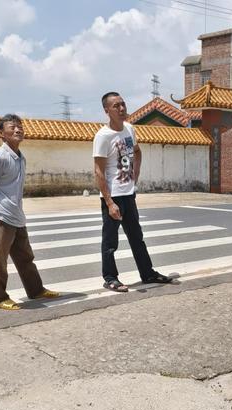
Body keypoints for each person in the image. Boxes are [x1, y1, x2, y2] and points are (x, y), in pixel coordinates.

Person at [0, 114, 60, 310]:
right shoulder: (0, 156)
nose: (17, 130)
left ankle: (36, 290)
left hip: (16, 215)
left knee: (25, 257)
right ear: (1, 134)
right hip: (0, 215)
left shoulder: (20, 156)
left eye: (19, 126)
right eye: (12, 127)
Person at [93, 92, 172, 292]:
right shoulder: (103, 136)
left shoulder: (129, 129)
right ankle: (110, 278)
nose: (121, 109)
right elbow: (98, 171)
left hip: (129, 194)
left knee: (137, 237)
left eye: (123, 104)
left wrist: (135, 177)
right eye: (116, 106)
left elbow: (137, 152)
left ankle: (148, 273)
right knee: (110, 242)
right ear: (107, 110)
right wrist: (109, 202)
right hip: (113, 197)